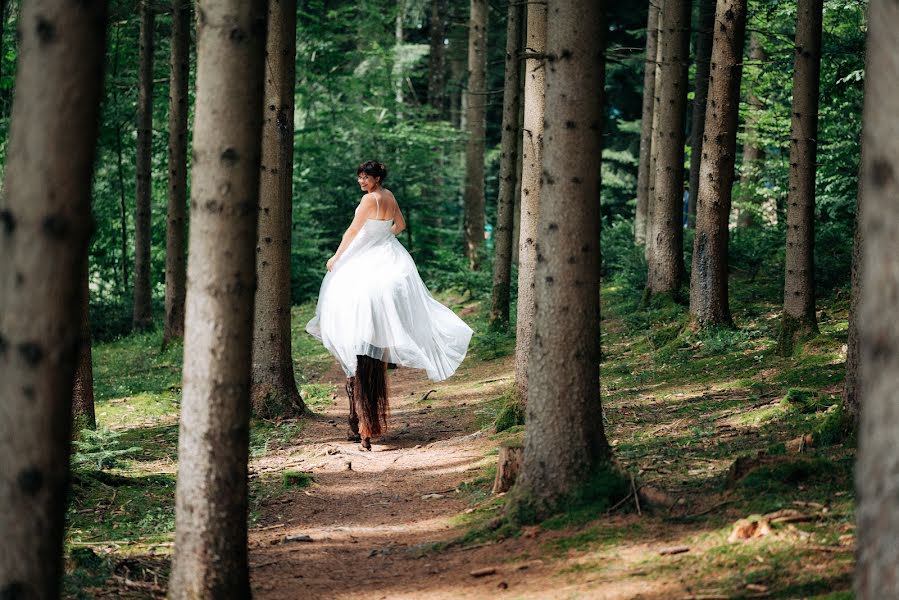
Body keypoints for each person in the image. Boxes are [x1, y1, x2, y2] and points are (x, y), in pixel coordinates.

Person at [306, 161, 474, 450]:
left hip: (365, 256)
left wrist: (336, 257)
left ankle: (357, 407)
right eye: (359, 176)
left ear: (377, 178)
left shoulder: (368, 200)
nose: (361, 181)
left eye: (366, 177)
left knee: (339, 296)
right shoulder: (390, 196)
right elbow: (401, 225)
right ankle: (383, 357)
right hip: (388, 255)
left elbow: (351, 232)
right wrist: (384, 238)